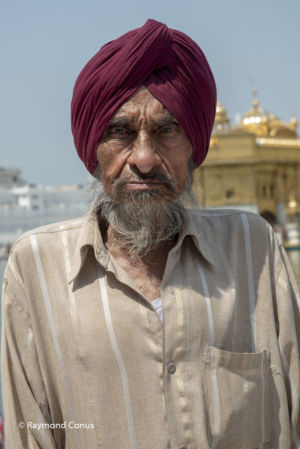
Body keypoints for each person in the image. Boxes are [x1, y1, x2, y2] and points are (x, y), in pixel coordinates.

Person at [1, 18, 300, 449]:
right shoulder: (36, 268)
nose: (143, 158)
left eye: (167, 130)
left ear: (194, 147)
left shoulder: (254, 250)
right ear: (93, 151)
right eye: (120, 132)